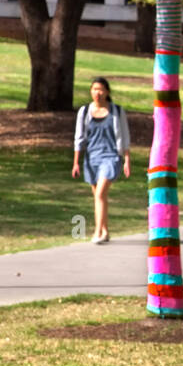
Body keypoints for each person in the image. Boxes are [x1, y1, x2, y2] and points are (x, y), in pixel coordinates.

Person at [71, 77, 131, 244]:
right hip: (92, 158)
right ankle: (105, 230)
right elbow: (79, 138)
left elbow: (125, 137)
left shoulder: (117, 112)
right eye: (94, 89)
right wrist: (76, 162)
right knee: (99, 197)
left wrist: (126, 160)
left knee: (100, 194)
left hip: (111, 157)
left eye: (100, 89)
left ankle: (97, 232)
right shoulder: (84, 112)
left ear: (107, 92)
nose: (97, 93)